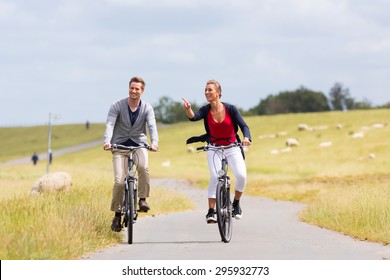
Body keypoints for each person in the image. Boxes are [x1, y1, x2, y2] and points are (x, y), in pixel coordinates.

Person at [182, 80, 251, 223]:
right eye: (205, 90)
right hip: (214, 148)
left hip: (232, 147)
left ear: (218, 92)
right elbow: (194, 117)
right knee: (214, 176)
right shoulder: (206, 110)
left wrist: (246, 138)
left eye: (210, 90)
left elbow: (244, 126)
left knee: (242, 176)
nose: (207, 92)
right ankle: (211, 211)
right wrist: (188, 109)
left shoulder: (230, 109)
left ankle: (236, 203)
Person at [103, 76, 159, 232]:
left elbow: (152, 126)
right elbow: (110, 124)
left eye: (137, 89)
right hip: (119, 146)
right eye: (132, 88)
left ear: (142, 91)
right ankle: (117, 215)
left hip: (138, 145)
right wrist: (107, 140)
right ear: (129, 88)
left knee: (143, 167)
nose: (134, 91)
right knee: (119, 181)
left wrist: (154, 142)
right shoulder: (117, 105)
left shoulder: (147, 108)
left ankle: (142, 199)